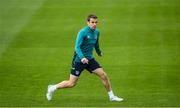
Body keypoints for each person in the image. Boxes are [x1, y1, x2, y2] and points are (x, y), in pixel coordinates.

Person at [46, 14, 123, 102]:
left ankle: (111, 96)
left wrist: (99, 52)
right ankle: (52, 88)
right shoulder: (82, 32)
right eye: (92, 22)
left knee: (103, 75)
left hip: (90, 59)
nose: (94, 24)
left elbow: (96, 44)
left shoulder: (97, 32)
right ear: (88, 23)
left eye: (96, 22)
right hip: (79, 61)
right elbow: (77, 47)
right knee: (71, 83)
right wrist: (82, 58)